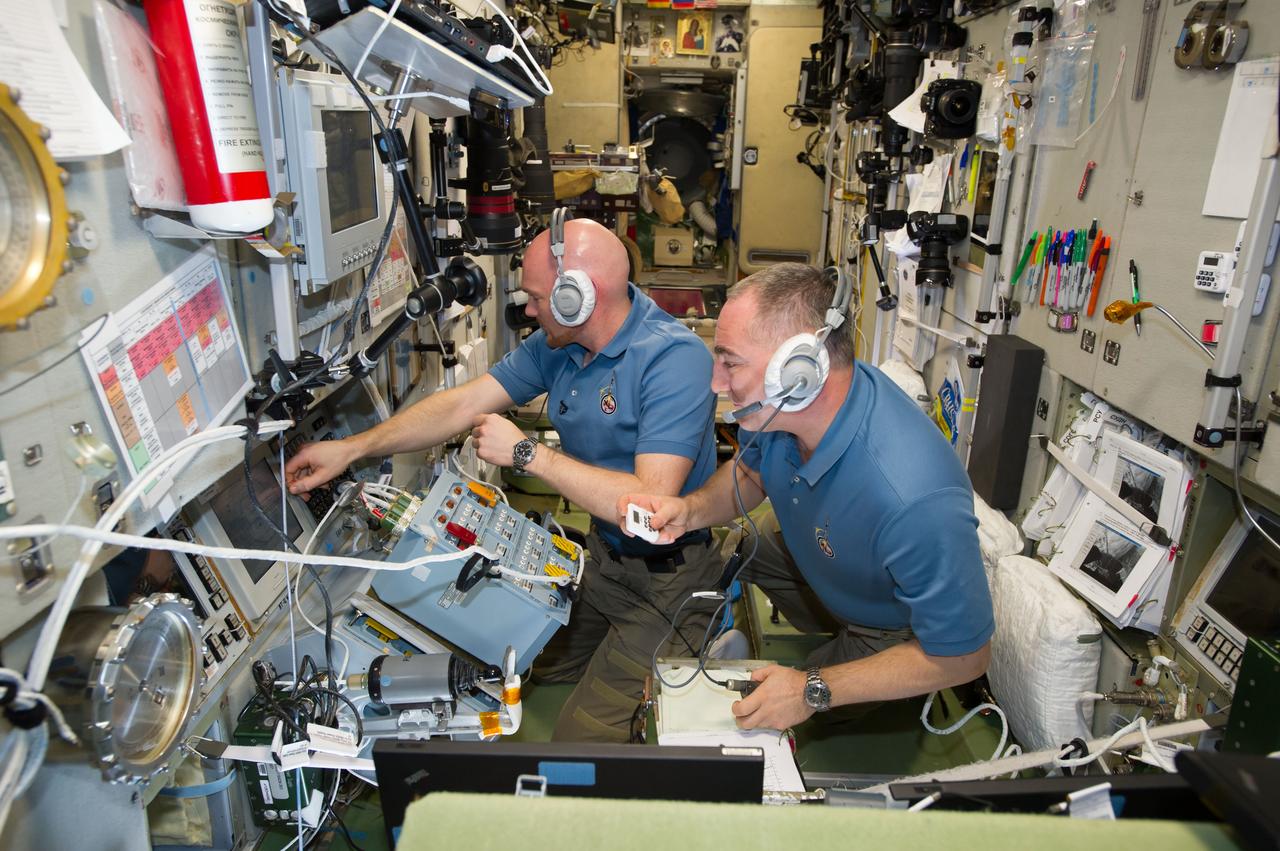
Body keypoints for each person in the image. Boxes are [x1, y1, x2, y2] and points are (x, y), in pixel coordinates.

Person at [284, 215, 722, 742]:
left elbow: (650, 508)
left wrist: (527, 454)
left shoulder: (673, 358)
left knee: (579, 745)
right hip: (603, 567)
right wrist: (353, 447)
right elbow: (463, 404)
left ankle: (697, 642)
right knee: (492, 666)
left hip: (668, 582)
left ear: (577, 297)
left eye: (538, 298)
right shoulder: (558, 346)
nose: (528, 310)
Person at [619, 263, 993, 732]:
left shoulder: (914, 499)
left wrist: (813, 690)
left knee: (763, 712)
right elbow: (750, 475)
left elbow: (966, 657)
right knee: (723, 548)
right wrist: (689, 511)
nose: (716, 382)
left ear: (799, 369)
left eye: (730, 362)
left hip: (890, 634)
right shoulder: (785, 410)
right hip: (822, 563)